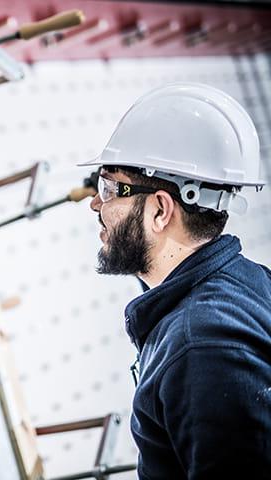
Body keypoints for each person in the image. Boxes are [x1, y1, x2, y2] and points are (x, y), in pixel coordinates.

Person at [79, 83, 271, 479]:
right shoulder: (244, 284)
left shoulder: (200, 345)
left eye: (109, 188)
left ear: (161, 211)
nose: (96, 204)